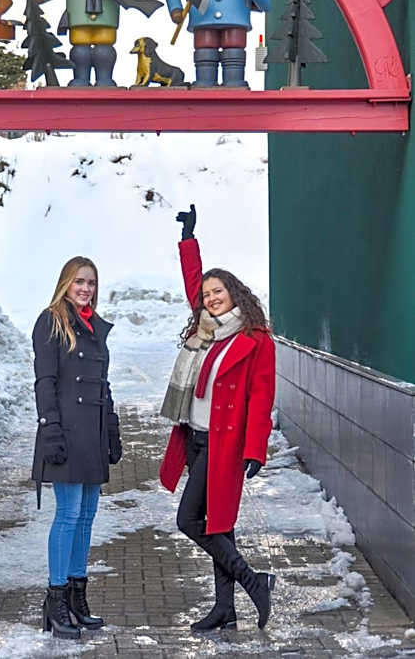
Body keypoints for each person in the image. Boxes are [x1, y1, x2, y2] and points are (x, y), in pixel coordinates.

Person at [159, 203, 276, 631]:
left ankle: (253, 582)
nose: (210, 298)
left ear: (235, 293)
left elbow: (262, 398)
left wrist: (255, 450)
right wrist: (189, 239)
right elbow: (193, 280)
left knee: (189, 520)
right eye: (207, 294)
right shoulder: (205, 325)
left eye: (218, 292)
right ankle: (225, 609)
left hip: (224, 443)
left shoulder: (255, 341)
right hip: (194, 436)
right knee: (217, 524)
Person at [31, 256, 122, 640]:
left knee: (86, 515)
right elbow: (45, 382)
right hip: (66, 432)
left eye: (91, 283)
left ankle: (76, 597)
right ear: (65, 282)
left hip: (92, 434)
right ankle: (55, 602)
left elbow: (103, 386)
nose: (85, 289)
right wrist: (50, 429)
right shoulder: (51, 321)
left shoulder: (93, 326)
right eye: (79, 281)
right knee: (67, 514)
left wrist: (112, 429)